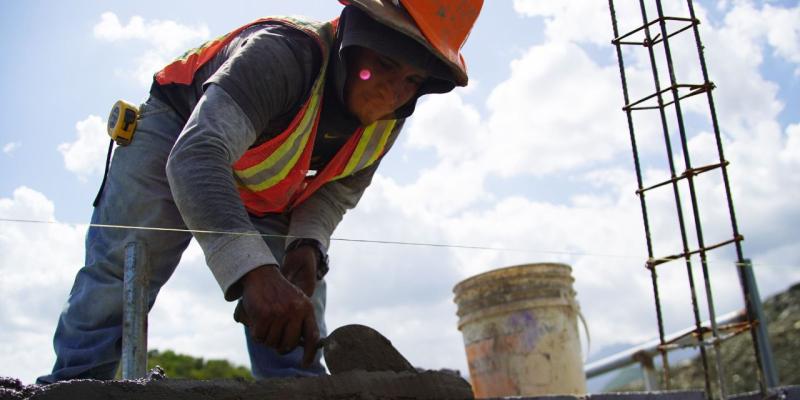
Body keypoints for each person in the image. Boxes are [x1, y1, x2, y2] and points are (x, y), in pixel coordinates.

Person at [38, 0, 482, 383]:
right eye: (383, 64)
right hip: (179, 132)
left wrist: (306, 245)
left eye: (411, 80)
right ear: (355, 39)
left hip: (265, 180)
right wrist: (252, 273)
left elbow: (338, 188)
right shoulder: (282, 54)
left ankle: (296, 385)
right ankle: (76, 382)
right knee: (124, 271)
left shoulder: (390, 117)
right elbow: (197, 156)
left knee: (292, 303)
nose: (391, 91)